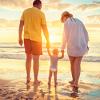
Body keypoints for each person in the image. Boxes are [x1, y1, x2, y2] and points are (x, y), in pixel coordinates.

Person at [18, 0, 50, 85]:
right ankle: (35, 80)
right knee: (36, 60)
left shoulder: (25, 11)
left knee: (28, 58)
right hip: (37, 39)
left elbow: (21, 25)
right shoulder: (41, 13)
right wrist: (48, 40)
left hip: (26, 38)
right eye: (41, 5)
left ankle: (28, 77)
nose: (41, 7)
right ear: (38, 4)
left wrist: (19, 37)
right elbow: (44, 28)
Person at [61, 11, 89, 92]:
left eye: (62, 20)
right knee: (77, 64)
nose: (63, 21)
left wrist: (62, 49)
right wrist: (86, 43)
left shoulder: (67, 23)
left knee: (72, 63)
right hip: (81, 45)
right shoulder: (79, 21)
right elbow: (86, 33)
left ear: (64, 17)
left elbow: (64, 37)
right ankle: (75, 81)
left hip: (72, 46)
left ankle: (75, 81)